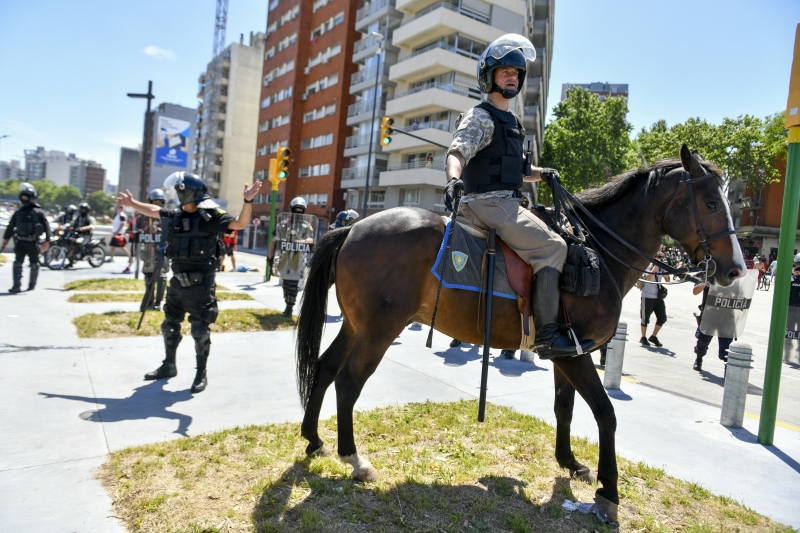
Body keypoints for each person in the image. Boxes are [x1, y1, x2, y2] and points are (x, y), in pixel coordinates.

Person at [442, 33, 589, 360]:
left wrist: (543, 172)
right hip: (487, 205)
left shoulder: (513, 123)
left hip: (507, 203)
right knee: (554, 247)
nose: (512, 76)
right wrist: (453, 179)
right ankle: (547, 337)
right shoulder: (481, 116)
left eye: (517, 72)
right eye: (505, 70)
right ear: (488, 75)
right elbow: (458, 151)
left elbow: (519, 170)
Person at [117, 172, 260, 393]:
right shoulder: (176, 216)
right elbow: (154, 211)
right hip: (177, 283)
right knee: (169, 324)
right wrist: (133, 203)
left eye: (180, 191)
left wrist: (247, 200)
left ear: (190, 193)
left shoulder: (211, 218)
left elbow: (240, 223)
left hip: (201, 285)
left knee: (200, 329)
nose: (177, 194)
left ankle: (201, 373)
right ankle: (169, 365)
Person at [268, 197, 315, 317]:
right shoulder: (283, 225)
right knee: (285, 284)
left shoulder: (306, 226)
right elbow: (274, 241)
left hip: (298, 258)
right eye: (296, 208)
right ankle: (287, 301)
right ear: (291, 209)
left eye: (300, 209)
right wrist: (270, 257)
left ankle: (289, 306)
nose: (298, 210)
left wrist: (303, 241)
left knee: (293, 283)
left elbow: (311, 239)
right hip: (284, 256)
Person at [1, 183, 51, 293]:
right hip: (20, 242)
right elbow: (10, 227)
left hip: (33, 243)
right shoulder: (19, 212)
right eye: (23, 197)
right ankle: (16, 286)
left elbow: (47, 227)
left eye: (26, 197)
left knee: (34, 263)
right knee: (17, 263)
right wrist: (5, 240)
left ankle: (32, 284)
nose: (24, 199)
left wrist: (47, 241)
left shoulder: (38, 212)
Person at [137, 189, 169, 310]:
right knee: (149, 278)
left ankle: (157, 302)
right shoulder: (143, 217)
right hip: (148, 250)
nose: (156, 204)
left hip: (161, 250)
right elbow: (133, 229)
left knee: (161, 277)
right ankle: (148, 302)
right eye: (154, 201)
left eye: (159, 202)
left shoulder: (166, 216)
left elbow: (172, 230)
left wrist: (162, 230)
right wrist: (143, 231)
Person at [691, 281, 733, 371]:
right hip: (709, 314)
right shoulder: (709, 272)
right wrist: (707, 282)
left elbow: (741, 294)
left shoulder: (733, 275)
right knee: (703, 340)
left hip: (726, 315)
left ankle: (727, 368)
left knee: (727, 345)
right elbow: (695, 291)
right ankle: (698, 359)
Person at [640, 255, 671, 346]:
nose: (659, 261)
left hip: (658, 298)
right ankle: (643, 337)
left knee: (662, 318)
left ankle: (653, 336)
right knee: (645, 319)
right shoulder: (648, 266)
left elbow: (668, 280)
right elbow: (648, 278)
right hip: (647, 296)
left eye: (661, 260)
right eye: (658, 260)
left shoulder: (661, 268)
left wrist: (664, 269)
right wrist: (655, 266)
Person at [66, 202, 95, 268]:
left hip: (85, 236)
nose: (82, 211)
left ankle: (84, 254)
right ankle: (71, 261)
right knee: (69, 242)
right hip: (77, 235)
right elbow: (72, 224)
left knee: (79, 242)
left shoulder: (89, 218)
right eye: (81, 209)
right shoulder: (78, 218)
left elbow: (92, 226)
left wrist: (84, 228)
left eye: (84, 209)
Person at [109, 204, 135, 273]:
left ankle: (129, 255)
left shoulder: (122, 215)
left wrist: (117, 232)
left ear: (121, 208)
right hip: (116, 232)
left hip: (119, 233)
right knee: (112, 246)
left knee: (121, 246)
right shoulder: (118, 215)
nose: (117, 209)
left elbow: (122, 224)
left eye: (118, 208)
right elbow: (116, 223)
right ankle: (112, 257)